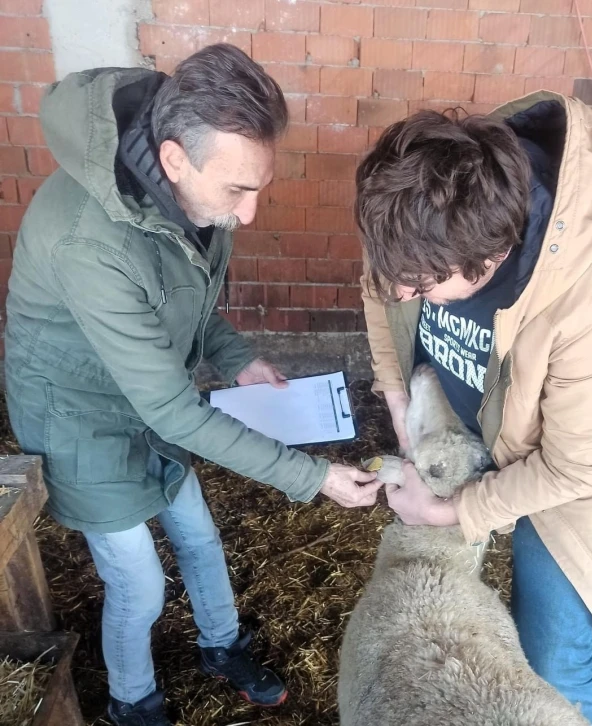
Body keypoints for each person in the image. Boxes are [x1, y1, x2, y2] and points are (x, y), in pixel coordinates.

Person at [4, 44, 381, 726]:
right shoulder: (90, 241)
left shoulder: (192, 199)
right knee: (140, 585)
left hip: (150, 396)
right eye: (238, 189)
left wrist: (236, 358)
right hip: (79, 418)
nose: (250, 213)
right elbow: (175, 412)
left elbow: (188, 300)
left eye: (259, 187)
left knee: (201, 538)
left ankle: (220, 644)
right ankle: (131, 699)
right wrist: (314, 477)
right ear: (175, 159)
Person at [356, 95, 592, 726]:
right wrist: (395, 395)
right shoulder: (417, 222)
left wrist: (453, 513)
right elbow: (380, 295)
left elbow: (578, 467)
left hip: (576, 478)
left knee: (551, 661)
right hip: (478, 425)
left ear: (487, 259)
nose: (403, 293)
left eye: (421, 288)